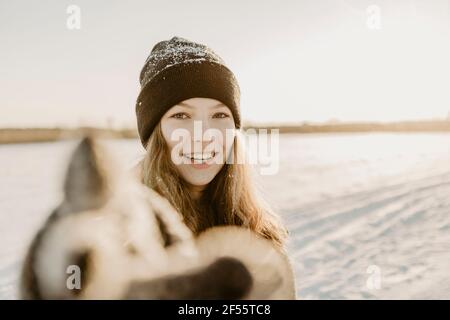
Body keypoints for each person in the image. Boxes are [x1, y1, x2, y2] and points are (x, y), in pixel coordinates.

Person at [134, 36, 289, 251]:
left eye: (219, 115)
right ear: (155, 132)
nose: (204, 135)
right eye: (181, 116)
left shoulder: (260, 233)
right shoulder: (118, 239)